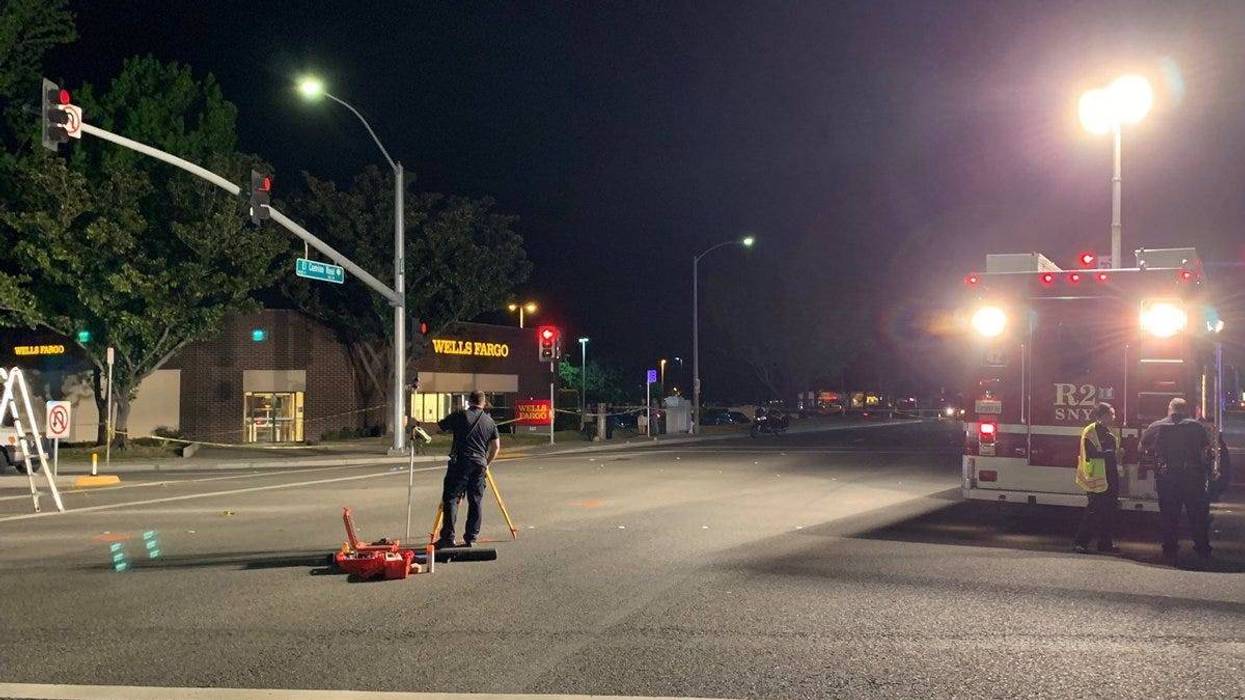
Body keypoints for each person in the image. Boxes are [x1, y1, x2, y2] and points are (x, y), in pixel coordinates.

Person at [1140, 398, 1212, 565]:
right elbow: (1206, 449)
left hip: (1167, 479)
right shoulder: (1197, 427)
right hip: (1193, 478)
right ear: (1185, 410)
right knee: (1197, 515)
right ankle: (1203, 549)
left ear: (1169, 409)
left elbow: (1142, 447)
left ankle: (1170, 549)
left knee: (1169, 515)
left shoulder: (1156, 426)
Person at [434, 391, 500, 548]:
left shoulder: (460, 415)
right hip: (479, 464)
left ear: (469, 401)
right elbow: (496, 447)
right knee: (475, 500)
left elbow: (440, 426)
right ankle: (471, 537)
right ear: (483, 403)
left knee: (451, 498)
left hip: (460, 463)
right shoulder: (489, 421)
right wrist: (487, 463)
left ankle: (448, 537)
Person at [1073, 402, 1121, 555]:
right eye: (1111, 414)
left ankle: (1105, 543)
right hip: (1096, 477)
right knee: (1093, 512)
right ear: (1102, 416)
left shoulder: (1110, 430)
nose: (1114, 417)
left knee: (1109, 512)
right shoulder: (1090, 431)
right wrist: (1111, 454)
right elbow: (1091, 453)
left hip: (1110, 475)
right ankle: (1080, 543)